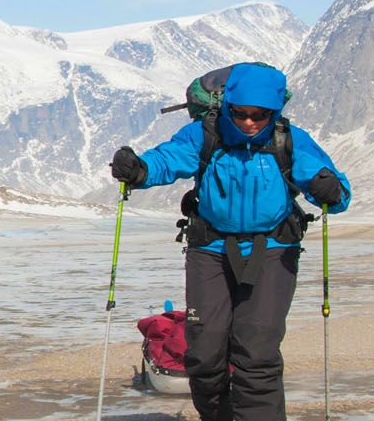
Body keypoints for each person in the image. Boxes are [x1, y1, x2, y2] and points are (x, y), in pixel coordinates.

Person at [108, 63, 350, 420]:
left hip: (273, 252)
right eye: (241, 114)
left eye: (260, 115)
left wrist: (330, 190)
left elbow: (336, 191)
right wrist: (139, 169)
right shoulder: (205, 135)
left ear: (275, 111)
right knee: (204, 356)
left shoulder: (290, 140)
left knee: (257, 353)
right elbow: (168, 159)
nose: (250, 122)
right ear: (228, 106)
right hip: (209, 250)